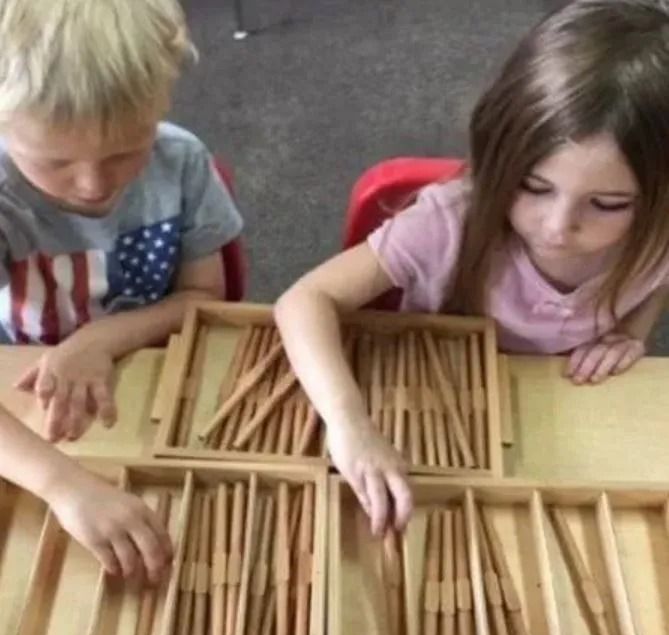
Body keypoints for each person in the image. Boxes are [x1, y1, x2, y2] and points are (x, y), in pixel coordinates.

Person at [275, 0, 669, 535]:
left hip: (555, 423)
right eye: (534, 187)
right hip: (431, 412)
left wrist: (631, 331)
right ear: (499, 152)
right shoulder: (448, 226)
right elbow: (303, 301)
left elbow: (656, 275)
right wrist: (347, 421)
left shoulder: (656, 230)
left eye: (607, 204)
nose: (557, 227)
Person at [0, 0, 243, 582]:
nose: (92, 184)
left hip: (159, 385)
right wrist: (64, 485)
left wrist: (101, 339)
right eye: (55, 162)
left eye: (124, 152)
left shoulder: (180, 160)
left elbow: (204, 298)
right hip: (28, 398)